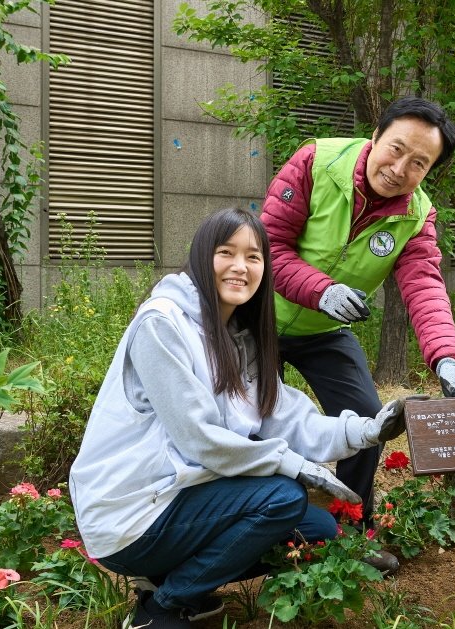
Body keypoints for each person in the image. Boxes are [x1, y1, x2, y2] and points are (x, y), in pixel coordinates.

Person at [69, 208, 408, 629]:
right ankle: (164, 606)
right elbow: (200, 438)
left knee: (317, 527)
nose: (240, 267)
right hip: (133, 510)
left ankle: (162, 581)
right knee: (282, 497)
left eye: (253, 257)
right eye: (226, 252)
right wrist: (293, 465)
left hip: (183, 497)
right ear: (200, 258)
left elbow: (286, 419)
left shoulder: (239, 339)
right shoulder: (162, 324)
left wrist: (368, 430)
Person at [261, 96, 455, 535]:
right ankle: (267, 531)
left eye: (419, 163)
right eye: (396, 148)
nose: (399, 169)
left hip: (323, 329)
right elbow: (268, 247)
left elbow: (424, 286)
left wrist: (445, 358)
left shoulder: (416, 216)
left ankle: (349, 533)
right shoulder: (316, 161)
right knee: (254, 425)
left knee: (367, 418)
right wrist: (323, 290)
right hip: (256, 320)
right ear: (375, 136)